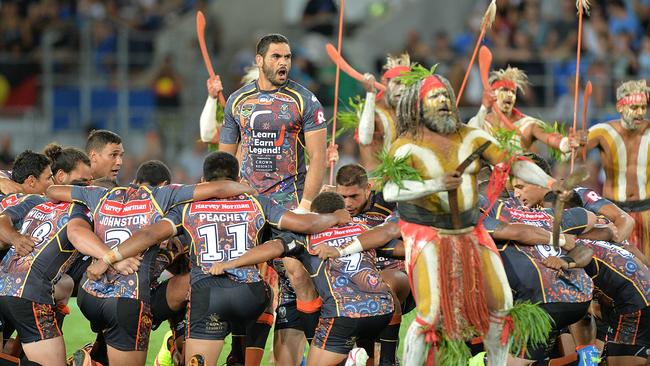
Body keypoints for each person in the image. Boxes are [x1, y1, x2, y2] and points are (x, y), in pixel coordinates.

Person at [93, 152, 351, 366]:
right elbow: (305, 224)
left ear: (204, 180)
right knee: (267, 294)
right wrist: (335, 217)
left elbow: (149, 234)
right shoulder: (257, 202)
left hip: (207, 296)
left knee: (199, 352)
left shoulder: (188, 208)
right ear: (238, 179)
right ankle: (241, 357)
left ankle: (188, 352)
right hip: (248, 296)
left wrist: (111, 256)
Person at [380, 72, 568, 366]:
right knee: (430, 314)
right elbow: (391, 190)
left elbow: (514, 164)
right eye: (434, 97)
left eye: (446, 96)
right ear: (419, 105)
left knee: (501, 305)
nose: (442, 101)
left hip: (471, 230)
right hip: (427, 232)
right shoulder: (406, 144)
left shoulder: (472, 136)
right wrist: (436, 184)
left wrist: (550, 182)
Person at [45, 160, 255, 366]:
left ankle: (98, 352)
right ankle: (175, 344)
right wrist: (251, 192)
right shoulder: (162, 195)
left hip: (89, 294)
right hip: (128, 299)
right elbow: (220, 188)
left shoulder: (101, 194)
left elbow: (53, 191)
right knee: (195, 282)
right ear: (164, 184)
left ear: (136, 181)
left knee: (123, 321)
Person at [214, 33, 328, 364]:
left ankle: (318, 350)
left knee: (295, 274)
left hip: (288, 203)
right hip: (247, 206)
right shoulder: (237, 101)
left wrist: (306, 205)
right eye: (276, 57)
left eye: (288, 57)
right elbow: (224, 161)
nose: (284, 63)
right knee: (241, 280)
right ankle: (239, 356)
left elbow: (318, 158)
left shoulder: (304, 100)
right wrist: (223, 200)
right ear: (259, 60)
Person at [211, 192, 395, 366]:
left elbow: (273, 248)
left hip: (344, 314)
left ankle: (349, 362)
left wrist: (232, 263)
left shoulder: (306, 236)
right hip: (384, 311)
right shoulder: (363, 229)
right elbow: (395, 245)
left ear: (315, 216)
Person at [0, 145, 123, 366]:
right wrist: (111, 256)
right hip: (29, 292)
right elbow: (76, 233)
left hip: (4, 283)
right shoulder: (81, 210)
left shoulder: (36, 200)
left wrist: (16, 239)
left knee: (64, 284)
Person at [585, 79, 650, 258]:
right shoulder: (601, 131)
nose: (640, 113)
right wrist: (572, 143)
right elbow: (572, 153)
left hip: (647, 211)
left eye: (643, 107)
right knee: (615, 264)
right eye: (635, 107)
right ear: (620, 107)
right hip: (614, 212)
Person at [468, 66, 583, 154]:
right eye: (504, 90)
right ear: (493, 94)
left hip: (517, 183)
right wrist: (483, 108)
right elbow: (469, 141)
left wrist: (568, 143)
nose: (509, 95)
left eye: (513, 92)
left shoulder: (528, 124)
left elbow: (553, 139)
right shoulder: (480, 122)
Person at [356, 54, 410, 171]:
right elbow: (364, 139)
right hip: (377, 181)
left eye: (407, 84)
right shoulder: (372, 110)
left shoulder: (410, 111)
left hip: (407, 178)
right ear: (384, 82)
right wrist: (370, 94)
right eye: (398, 82)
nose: (402, 89)